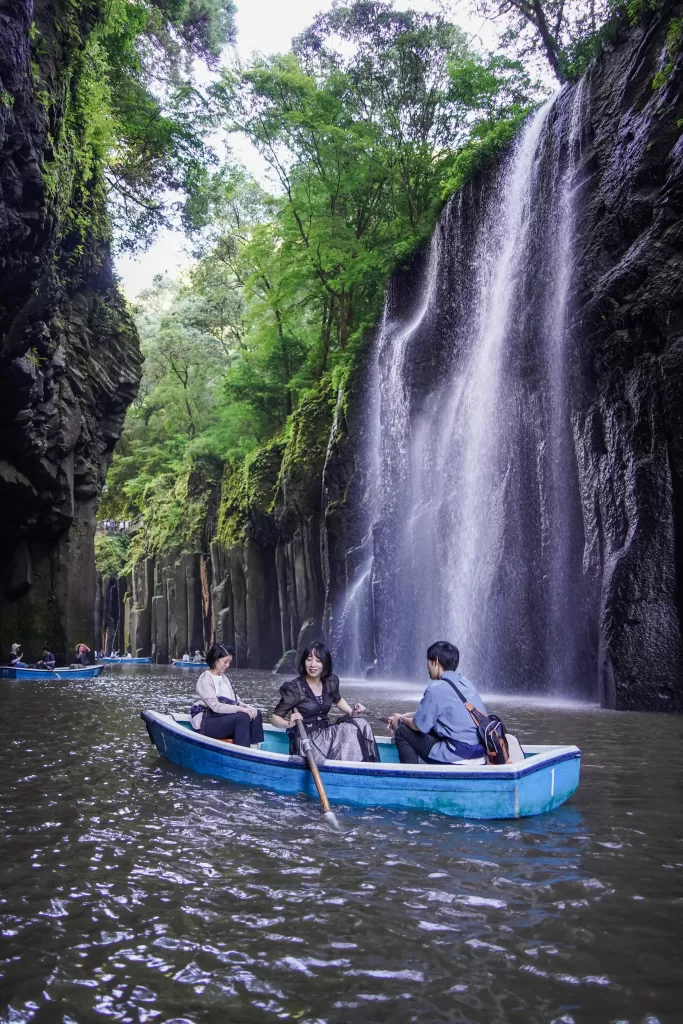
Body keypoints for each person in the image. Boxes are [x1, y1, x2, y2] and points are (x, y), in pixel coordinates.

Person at [271, 641, 379, 762]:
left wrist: (351, 711)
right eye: (309, 659)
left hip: (326, 733)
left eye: (318, 660)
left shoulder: (330, 682)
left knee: (361, 723)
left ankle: (367, 768)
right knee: (347, 730)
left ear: (325, 663)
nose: (312, 665)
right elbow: (274, 719)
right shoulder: (295, 689)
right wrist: (287, 724)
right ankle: (346, 771)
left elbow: (337, 699)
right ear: (303, 661)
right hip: (307, 741)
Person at [388, 640, 486, 765]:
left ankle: (411, 778)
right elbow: (443, 712)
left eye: (428, 661)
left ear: (436, 661)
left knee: (402, 731)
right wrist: (407, 715)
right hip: (480, 755)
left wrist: (400, 720)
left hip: (458, 756)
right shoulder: (466, 683)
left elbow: (418, 726)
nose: (426, 665)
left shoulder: (435, 689)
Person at [190, 643, 264, 746]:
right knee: (242, 717)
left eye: (229, 662)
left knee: (256, 714)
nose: (227, 665)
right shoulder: (205, 679)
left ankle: (254, 749)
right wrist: (241, 709)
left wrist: (247, 707)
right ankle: (242, 752)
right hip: (206, 721)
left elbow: (234, 700)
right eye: (225, 661)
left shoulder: (225, 678)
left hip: (221, 717)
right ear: (215, 659)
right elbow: (216, 707)